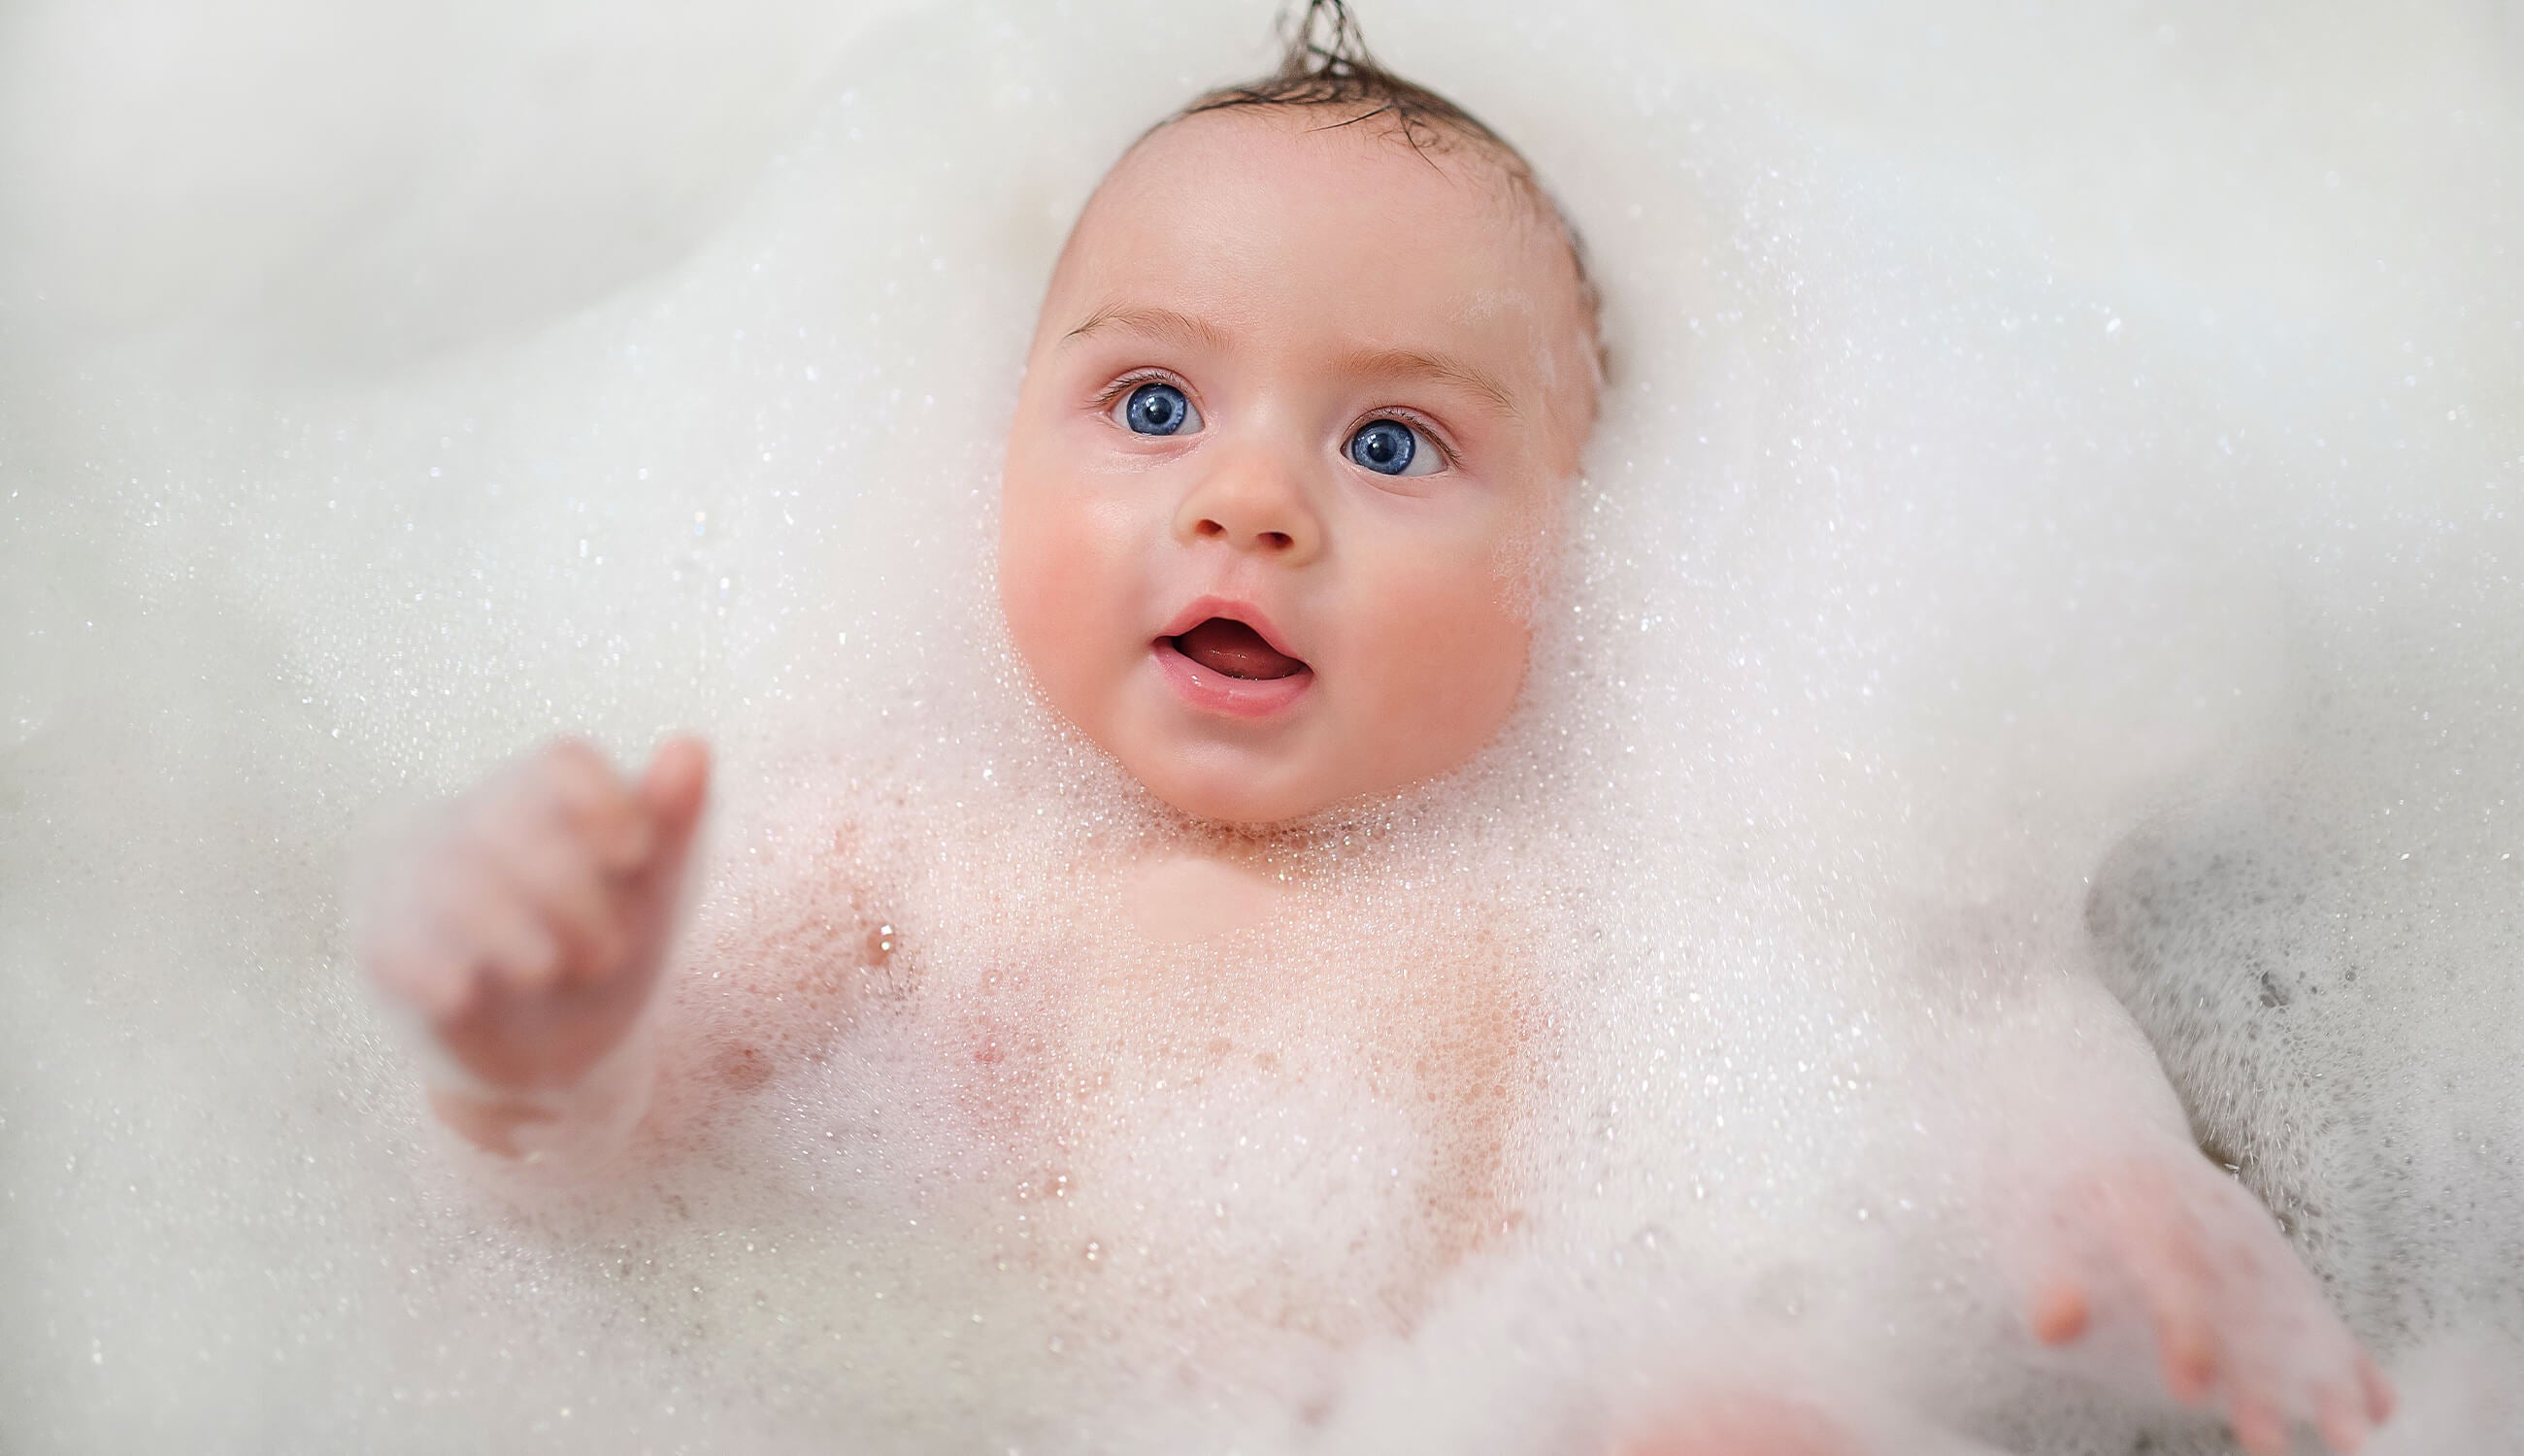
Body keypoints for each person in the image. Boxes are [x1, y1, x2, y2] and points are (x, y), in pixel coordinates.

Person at [355, 4, 2392, 1450]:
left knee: (1727, 1407)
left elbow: (1928, 1025)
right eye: (1150, 405)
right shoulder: (913, 852)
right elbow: (614, 1169)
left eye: (1394, 438)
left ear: (1576, 567)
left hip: (1549, 1381)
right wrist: (542, 1051)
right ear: (997, 447)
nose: (1249, 503)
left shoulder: (1641, 882)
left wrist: (2106, 1165)